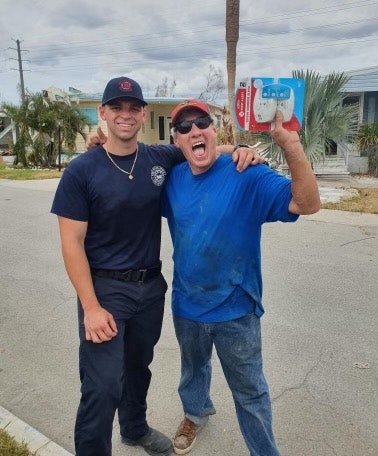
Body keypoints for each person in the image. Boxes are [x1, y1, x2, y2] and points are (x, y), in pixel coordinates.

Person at [51, 77, 263, 456]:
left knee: (138, 369)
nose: (126, 115)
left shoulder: (157, 158)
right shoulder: (81, 171)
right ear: (102, 113)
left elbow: (202, 147)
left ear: (144, 114)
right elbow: (71, 244)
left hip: (150, 288)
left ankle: (134, 428)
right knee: (101, 387)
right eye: (116, 108)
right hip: (105, 290)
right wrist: (91, 306)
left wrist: (243, 150)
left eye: (133, 108)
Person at [160, 99, 321, 455]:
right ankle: (195, 412)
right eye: (184, 128)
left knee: (250, 393)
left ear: (214, 129)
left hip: (237, 310)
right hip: (187, 304)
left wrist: (289, 144)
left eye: (201, 122)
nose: (193, 131)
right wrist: (99, 150)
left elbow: (307, 203)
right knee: (192, 371)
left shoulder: (246, 174)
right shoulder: (171, 179)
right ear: (177, 141)